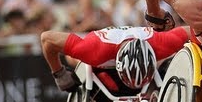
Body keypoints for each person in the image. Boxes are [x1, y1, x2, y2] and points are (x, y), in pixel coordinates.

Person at [40, 25, 190, 93]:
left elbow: (195, 32)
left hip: (148, 59)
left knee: (166, 63)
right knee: (76, 60)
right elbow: (46, 38)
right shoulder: (94, 50)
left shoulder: (161, 43)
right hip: (103, 57)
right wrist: (60, 74)